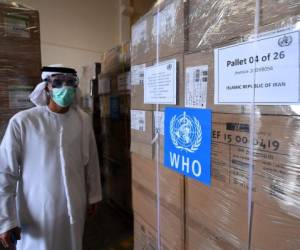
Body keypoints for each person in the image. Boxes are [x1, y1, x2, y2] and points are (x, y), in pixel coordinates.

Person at [0, 65, 102, 250]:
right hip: (36, 210)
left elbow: (92, 161)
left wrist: (94, 195)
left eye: (70, 82)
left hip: (74, 206)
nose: (65, 87)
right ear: (46, 86)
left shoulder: (83, 120)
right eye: (57, 82)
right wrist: (6, 219)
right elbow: (5, 172)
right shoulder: (23, 122)